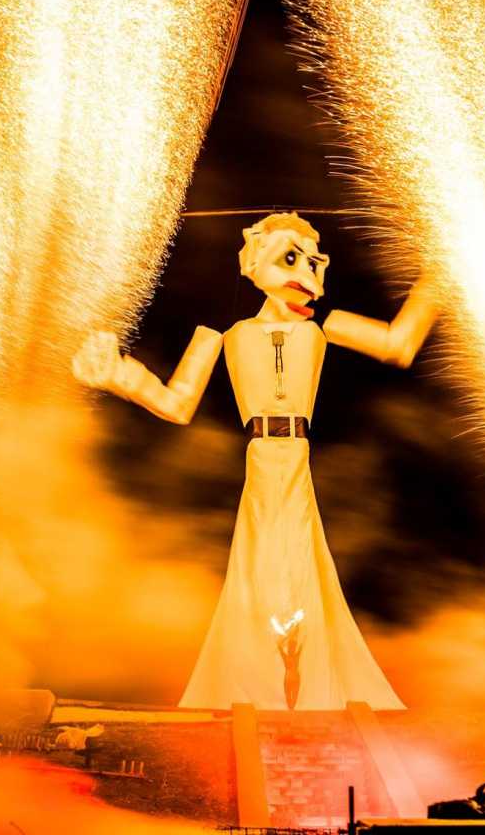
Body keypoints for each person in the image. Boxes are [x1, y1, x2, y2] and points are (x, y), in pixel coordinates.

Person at [73, 212, 438, 709]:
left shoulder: (324, 326)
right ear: (257, 264)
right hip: (263, 463)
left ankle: (314, 696)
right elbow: (177, 402)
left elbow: (398, 343)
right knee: (260, 574)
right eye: (292, 258)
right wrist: (121, 376)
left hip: (296, 461)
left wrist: (438, 279)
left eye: (314, 262)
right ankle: (256, 695)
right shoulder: (227, 333)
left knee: (302, 574)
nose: (306, 274)